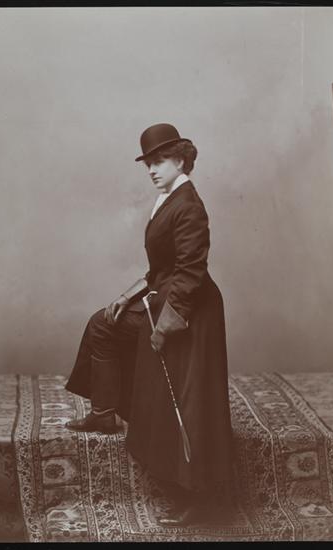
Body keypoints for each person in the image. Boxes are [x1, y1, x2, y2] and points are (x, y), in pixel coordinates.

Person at [64, 123, 235, 526]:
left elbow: (191, 271)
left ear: (181, 159)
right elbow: (161, 268)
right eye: (149, 164)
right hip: (165, 294)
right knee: (103, 324)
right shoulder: (168, 199)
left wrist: (166, 325)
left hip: (190, 310)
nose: (153, 170)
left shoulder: (189, 205)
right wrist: (128, 296)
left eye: (160, 161)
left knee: (188, 403)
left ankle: (198, 497)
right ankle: (104, 411)